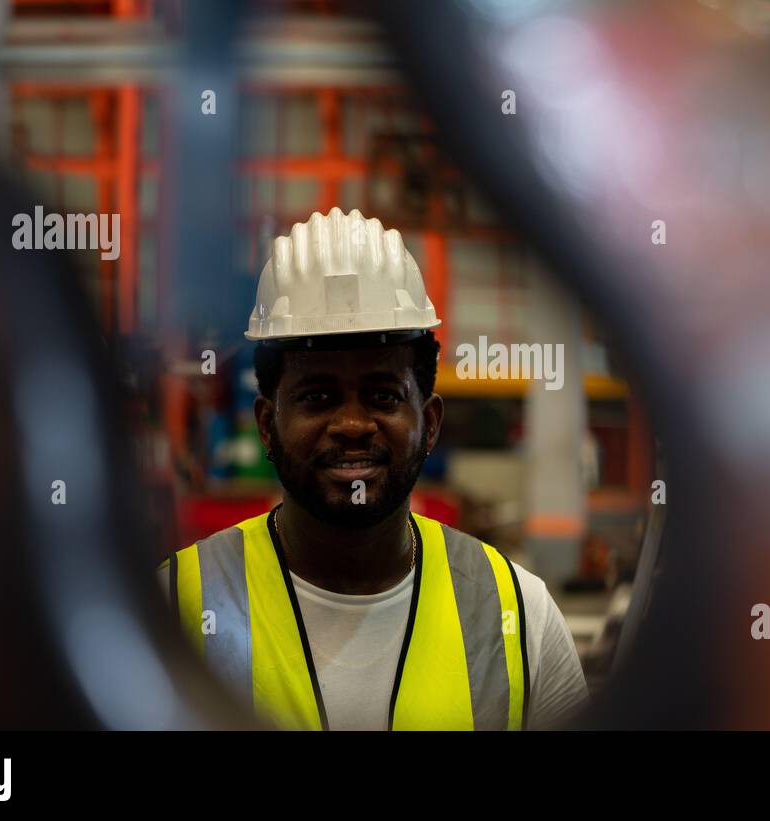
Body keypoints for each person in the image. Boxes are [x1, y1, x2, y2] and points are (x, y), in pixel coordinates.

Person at [159, 207, 589, 730]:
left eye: (382, 396)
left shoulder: (520, 618)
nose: (352, 424)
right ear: (267, 425)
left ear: (429, 423)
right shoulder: (172, 608)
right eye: (318, 396)